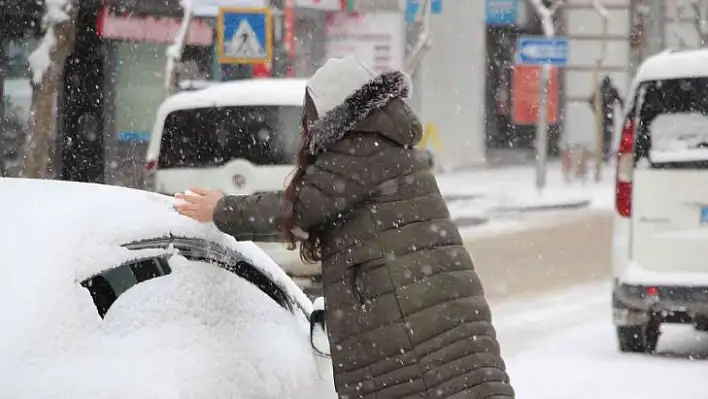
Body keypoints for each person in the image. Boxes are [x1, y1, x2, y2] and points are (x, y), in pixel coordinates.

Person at [174, 56, 515, 399]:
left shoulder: (359, 150)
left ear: (329, 114)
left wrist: (222, 208)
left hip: (416, 357)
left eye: (309, 117)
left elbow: (298, 209)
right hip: (453, 345)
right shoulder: (394, 149)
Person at [588, 76, 624, 162]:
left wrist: (595, 110)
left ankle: (604, 153)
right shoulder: (610, 90)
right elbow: (620, 101)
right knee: (608, 135)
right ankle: (605, 153)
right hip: (607, 114)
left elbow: (590, 101)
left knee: (603, 135)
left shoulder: (600, 90)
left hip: (603, 115)